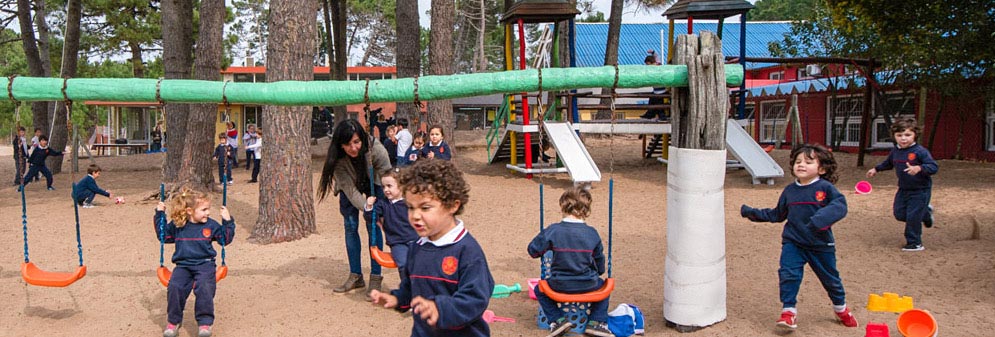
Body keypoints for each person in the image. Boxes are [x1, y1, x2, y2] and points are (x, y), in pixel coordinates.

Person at [370, 159, 494, 337]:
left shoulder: (467, 251)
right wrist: (397, 298)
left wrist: (440, 308)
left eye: (425, 208)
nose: (415, 216)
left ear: (453, 205)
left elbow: (476, 298)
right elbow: (411, 288)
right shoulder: (416, 248)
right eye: (411, 208)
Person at [740, 144, 857, 331]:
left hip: (820, 244)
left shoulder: (825, 188)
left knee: (831, 279)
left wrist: (820, 220)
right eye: (798, 161)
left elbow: (840, 205)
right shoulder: (789, 191)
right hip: (793, 242)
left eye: (808, 162)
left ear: (822, 168)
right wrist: (751, 213)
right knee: (788, 274)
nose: (801, 165)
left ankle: (840, 308)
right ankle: (788, 312)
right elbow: (777, 214)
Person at [317, 119, 392, 298]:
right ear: (340, 145)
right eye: (347, 144)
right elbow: (349, 189)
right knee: (350, 226)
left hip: (375, 183)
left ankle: (375, 277)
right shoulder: (337, 160)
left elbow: (386, 176)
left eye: (356, 142)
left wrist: (374, 207)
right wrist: (365, 206)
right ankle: (356, 275)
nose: (353, 148)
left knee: (372, 226)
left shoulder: (377, 150)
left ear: (362, 140)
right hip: (349, 187)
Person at [528, 187, 614, 337]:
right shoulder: (592, 233)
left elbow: (533, 250)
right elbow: (600, 267)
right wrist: (596, 272)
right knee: (605, 288)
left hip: (559, 284)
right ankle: (596, 322)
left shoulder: (554, 230)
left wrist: (546, 243)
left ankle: (557, 321)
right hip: (589, 284)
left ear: (562, 205)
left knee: (539, 290)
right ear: (587, 209)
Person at [154, 187, 236, 337]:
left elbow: (225, 239)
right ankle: (173, 322)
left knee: (204, 287)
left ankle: (204, 323)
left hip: (205, 264)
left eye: (208, 209)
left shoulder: (210, 225)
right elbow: (163, 236)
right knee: (175, 287)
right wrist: (159, 214)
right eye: (204, 210)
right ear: (190, 211)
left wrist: (228, 221)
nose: (208, 213)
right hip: (183, 265)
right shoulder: (179, 225)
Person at [866, 119, 939, 252]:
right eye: (899, 135)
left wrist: (919, 168)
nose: (903, 138)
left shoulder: (920, 151)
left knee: (912, 217)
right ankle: (926, 213)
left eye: (907, 135)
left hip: (920, 190)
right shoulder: (895, 151)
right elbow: (888, 163)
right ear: (894, 136)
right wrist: (876, 169)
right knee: (899, 214)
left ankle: (915, 243)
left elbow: (933, 167)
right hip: (903, 189)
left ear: (915, 135)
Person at [363, 168, 419, 282]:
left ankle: (421, 289)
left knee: (421, 265)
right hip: (397, 243)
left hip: (416, 240)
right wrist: (369, 207)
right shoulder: (382, 204)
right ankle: (407, 288)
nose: (386, 190)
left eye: (389, 186)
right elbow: (371, 219)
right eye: (384, 187)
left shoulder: (410, 201)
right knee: (403, 264)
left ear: (401, 186)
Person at [638, 55, 668, 121]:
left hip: (661, 90)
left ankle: (662, 117)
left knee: (659, 105)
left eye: (648, 64)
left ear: (651, 62)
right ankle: (650, 114)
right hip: (657, 90)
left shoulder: (657, 68)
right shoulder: (656, 67)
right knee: (652, 102)